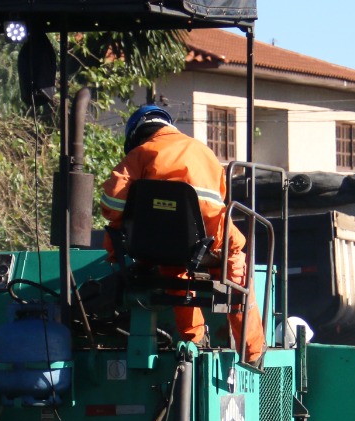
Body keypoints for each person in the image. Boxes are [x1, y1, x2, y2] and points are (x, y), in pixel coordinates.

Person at [99, 105, 265, 363]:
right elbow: (219, 200)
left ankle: (194, 338)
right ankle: (253, 352)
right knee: (236, 268)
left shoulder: (140, 154)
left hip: (156, 247)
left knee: (172, 266)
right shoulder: (206, 153)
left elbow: (112, 204)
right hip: (209, 244)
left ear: (137, 133)